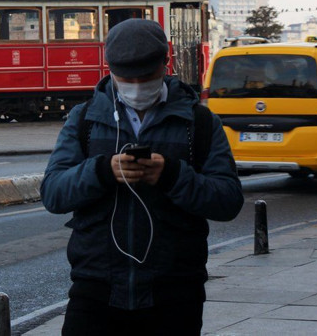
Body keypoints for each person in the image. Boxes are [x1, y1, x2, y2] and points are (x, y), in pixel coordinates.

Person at [41, 19, 244, 336]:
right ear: (110, 69)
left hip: (174, 292)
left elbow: (228, 200)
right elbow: (53, 193)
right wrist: (102, 172)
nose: (136, 85)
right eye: (126, 78)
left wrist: (172, 176)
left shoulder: (199, 123)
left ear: (167, 61)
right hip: (96, 288)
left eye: (146, 77)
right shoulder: (85, 119)